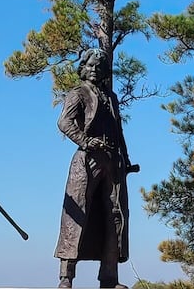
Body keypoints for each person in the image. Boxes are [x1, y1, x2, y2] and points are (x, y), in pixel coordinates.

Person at [55, 48, 134, 289]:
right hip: (87, 160)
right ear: (83, 67)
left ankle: (109, 277)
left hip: (113, 160)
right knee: (76, 215)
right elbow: (64, 122)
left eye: (99, 67)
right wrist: (86, 141)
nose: (94, 70)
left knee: (115, 215)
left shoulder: (111, 97)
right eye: (90, 65)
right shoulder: (78, 93)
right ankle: (66, 278)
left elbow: (118, 129)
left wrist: (126, 157)